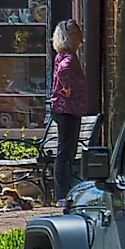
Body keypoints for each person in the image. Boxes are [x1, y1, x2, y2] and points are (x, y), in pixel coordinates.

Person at [47, 19, 91, 203]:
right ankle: (62, 195)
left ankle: (63, 193)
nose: (80, 38)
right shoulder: (69, 58)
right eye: (76, 35)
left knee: (66, 152)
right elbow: (63, 72)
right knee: (65, 153)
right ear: (69, 37)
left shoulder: (62, 55)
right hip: (67, 110)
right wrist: (67, 88)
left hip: (66, 110)